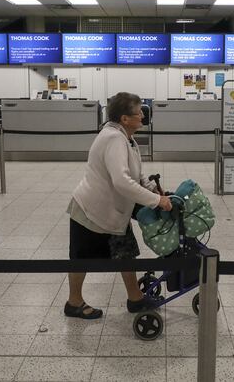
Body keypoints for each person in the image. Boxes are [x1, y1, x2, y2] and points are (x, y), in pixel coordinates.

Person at [65, 92, 172, 319]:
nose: (143, 115)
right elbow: (121, 181)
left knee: (125, 252)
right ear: (125, 118)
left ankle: (135, 299)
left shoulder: (126, 137)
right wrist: (156, 201)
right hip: (92, 211)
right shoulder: (113, 138)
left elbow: (135, 175)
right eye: (139, 111)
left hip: (111, 211)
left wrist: (154, 190)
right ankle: (74, 302)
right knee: (81, 258)